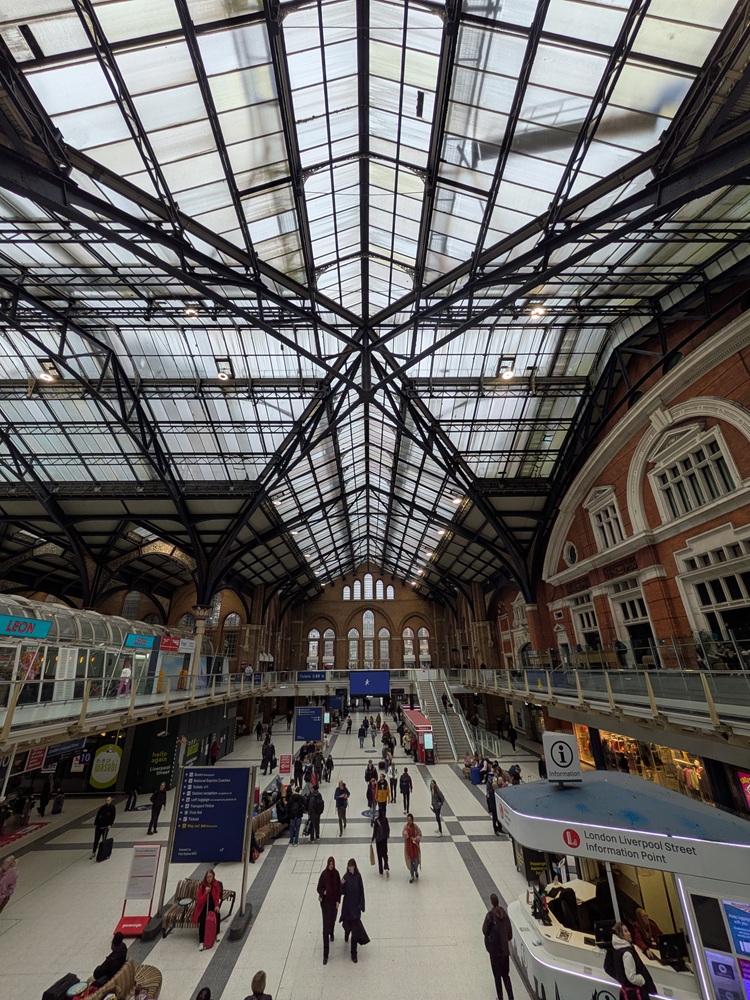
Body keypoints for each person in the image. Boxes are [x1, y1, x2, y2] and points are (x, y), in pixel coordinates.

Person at [605, 922, 656, 999]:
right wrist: (642, 980)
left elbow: (607, 967)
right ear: (620, 935)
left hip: (625, 993)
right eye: (625, 931)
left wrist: (620, 978)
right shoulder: (627, 954)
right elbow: (631, 977)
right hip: (634, 995)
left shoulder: (616, 949)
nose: (629, 933)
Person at [482, 894, 514, 1000]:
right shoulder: (505, 916)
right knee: (506, 976)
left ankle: (500, 998)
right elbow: (510, 935)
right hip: (504, 952)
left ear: (491, 902)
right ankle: (511, 997)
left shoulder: (490, 916)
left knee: (497, 977)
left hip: (494, 952)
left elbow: (485, 931)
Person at [340, 858, 367, 963]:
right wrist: (341, 884)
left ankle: (353, 953)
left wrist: (361, 905)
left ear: (355, 867)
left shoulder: (358, 877)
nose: (350, 868)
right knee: (347, 926)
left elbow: (361, 891)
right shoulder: (345, 877)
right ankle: (346, 933)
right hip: (347, 908)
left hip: (355, 909)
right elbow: (341, 892)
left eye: (352, 866)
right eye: (349, 866)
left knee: (355, 932)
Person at [316, 856, 341, 965]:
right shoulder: (324, 874)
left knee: (332, 921)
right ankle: (325, 955)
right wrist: (323, 892)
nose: (331, 866)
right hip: (326, 904)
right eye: (329, 864)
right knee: (325, 927)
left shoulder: (336, 874)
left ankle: (332, 931)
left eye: (332, 864)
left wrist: (338, 901)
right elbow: (319, 888)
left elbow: (339, 889)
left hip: (333, 903)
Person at [194, 868, 222, 951]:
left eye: (210, 877)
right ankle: (201, 941)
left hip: (212, 905)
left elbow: (217, 896)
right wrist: (205, 894)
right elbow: (199, 901)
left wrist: (217, 905)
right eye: (208, 877)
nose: (209, 879)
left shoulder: (215, 885)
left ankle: (216, 933)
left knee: (217, 915)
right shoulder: (202, 886)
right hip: (203, 906)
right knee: (203, 920)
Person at [402, 813, 422, 883]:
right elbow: (403, 835)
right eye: (408, 820)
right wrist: (406, 833)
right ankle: (412, 875)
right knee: (410, 862)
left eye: (410, 820)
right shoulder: (406, 827)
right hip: (409, 847)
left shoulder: (415, 827)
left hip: (415, 847)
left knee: (416, 861)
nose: (409, 822)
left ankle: (416, 870)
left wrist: (416, 838)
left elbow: (420, 833)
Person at [371, 812, 390, 876]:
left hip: (378, 840)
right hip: (384, 840)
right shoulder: (385, 819)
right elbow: (388, 828)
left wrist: (373, 838)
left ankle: (381, 870)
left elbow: (375, 830)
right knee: (385, 854)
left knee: (379, 855)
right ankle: (386, 865)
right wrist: (387, 835)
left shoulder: (377, 820)